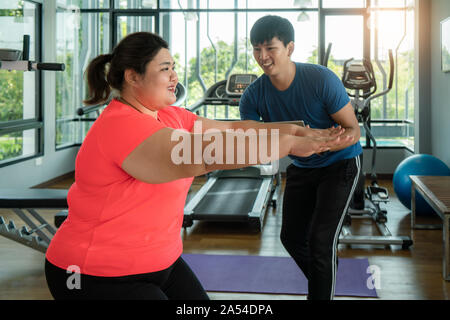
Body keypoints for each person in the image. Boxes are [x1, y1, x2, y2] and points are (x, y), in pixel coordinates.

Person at [44, 31, 351, 300]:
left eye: (174, 67)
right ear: (132, 76)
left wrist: (300, 130)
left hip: (160, 262)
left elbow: (234, 130)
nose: (175, 76)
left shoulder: (170, 116)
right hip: (92, 272)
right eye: (165, 69)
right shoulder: (120, 126)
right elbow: (205, 154)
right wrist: (289, 145)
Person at [239, 15, 363, 300]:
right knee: (291, 238)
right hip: (302, 165)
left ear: (290, 48)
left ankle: (321, 283)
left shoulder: (320, 80)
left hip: (340, 164)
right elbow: (252, 137)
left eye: (270, 48)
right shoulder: (253, 96)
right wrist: (301, 144)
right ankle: (325, 272)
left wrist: (325, 144)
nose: (263, 56)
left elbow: (353, 130)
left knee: (321, 241)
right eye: (257, 49)